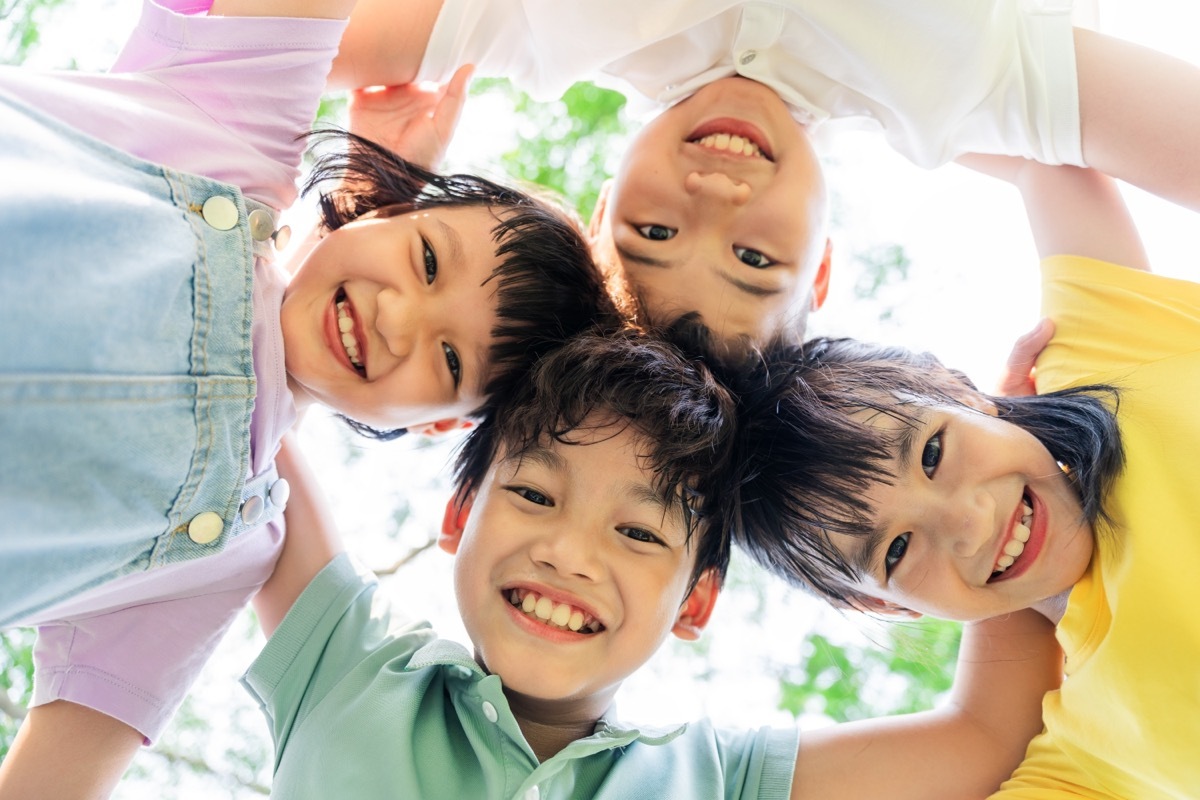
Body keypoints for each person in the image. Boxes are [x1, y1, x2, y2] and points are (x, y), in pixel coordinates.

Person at [0, 0, 608, 793]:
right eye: (426, 259)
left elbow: (54, 777)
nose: (396, 319)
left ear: (438, 425)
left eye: (450, 356)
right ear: (390, 206)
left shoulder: (227, 552)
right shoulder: (236, 127)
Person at [237, 328, 1063, 800]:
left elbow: (987, 734)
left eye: (639, 535)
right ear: (460, 514)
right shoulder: (344, 668)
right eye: (532, 495)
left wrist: (1000, 467)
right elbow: (250, 390)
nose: (568, 553)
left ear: (696, 602)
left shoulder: (721, 780)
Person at [329, 0, 1200, 348]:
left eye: (656, 235)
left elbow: (245, 41)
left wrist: (367, 199)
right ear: (820, 263)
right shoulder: (962, 93)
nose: (717, 199)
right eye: (756, 261)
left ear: (600, 216)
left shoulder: (541, 30)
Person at [728, 158, 1199, 797]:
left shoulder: (1106, 356)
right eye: (898, 550)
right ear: (883, 604)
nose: (973, 523)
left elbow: (1042, 139)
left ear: (958, 388)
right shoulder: (1089, 757)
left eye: (932, 453)